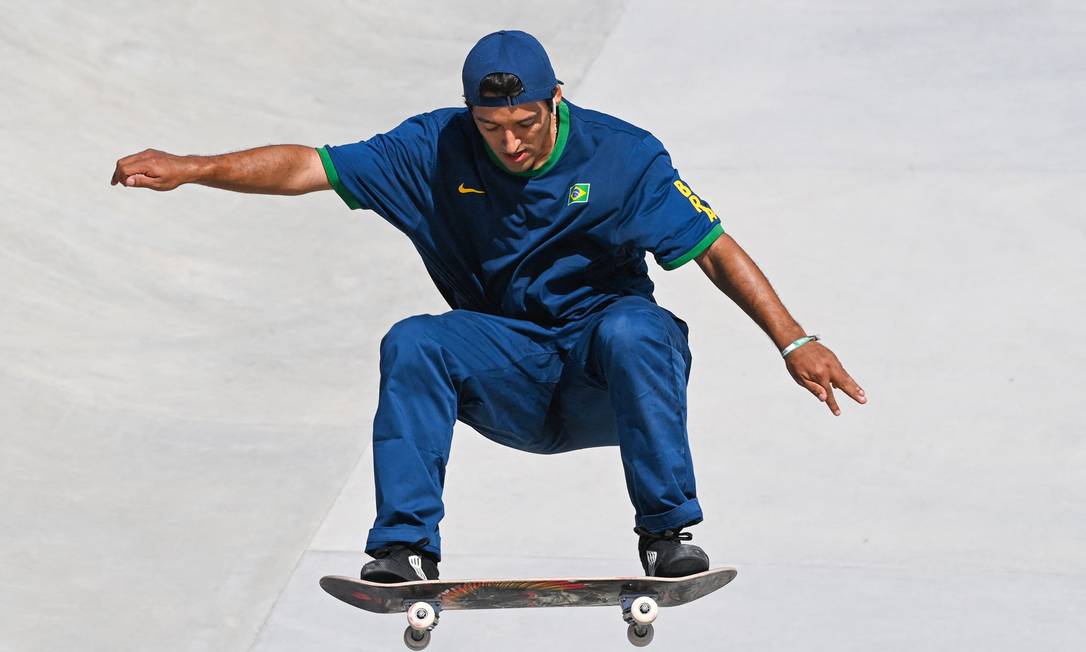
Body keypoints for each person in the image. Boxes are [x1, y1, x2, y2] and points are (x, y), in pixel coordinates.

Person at [111, 30, 865, 583]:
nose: (509, 143)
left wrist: (794, 341)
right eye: (492, 127)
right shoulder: (430, 150)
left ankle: (668, 533)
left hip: (605, 374)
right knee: (415, 339)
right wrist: (196, 168)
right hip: (506, 373)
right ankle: (404, 547)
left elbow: (713, 247)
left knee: (639, 326)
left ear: (556, 100)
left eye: (525, 124)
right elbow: (311, 165)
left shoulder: (622, 156)